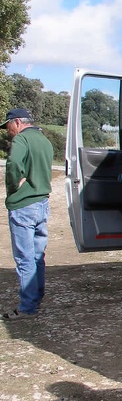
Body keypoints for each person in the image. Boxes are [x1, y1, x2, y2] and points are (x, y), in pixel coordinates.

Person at [2, 108, 54, 321]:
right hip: (42, 203)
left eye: (8, 126)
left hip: (24, 205)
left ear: (17, 122)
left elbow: (13, 164)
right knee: (37, 255)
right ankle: (36, 298)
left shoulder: (21, 140)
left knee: (24, 258)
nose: (8, 131)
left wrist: (13, 186)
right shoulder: (44, 140)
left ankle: (27, 307)